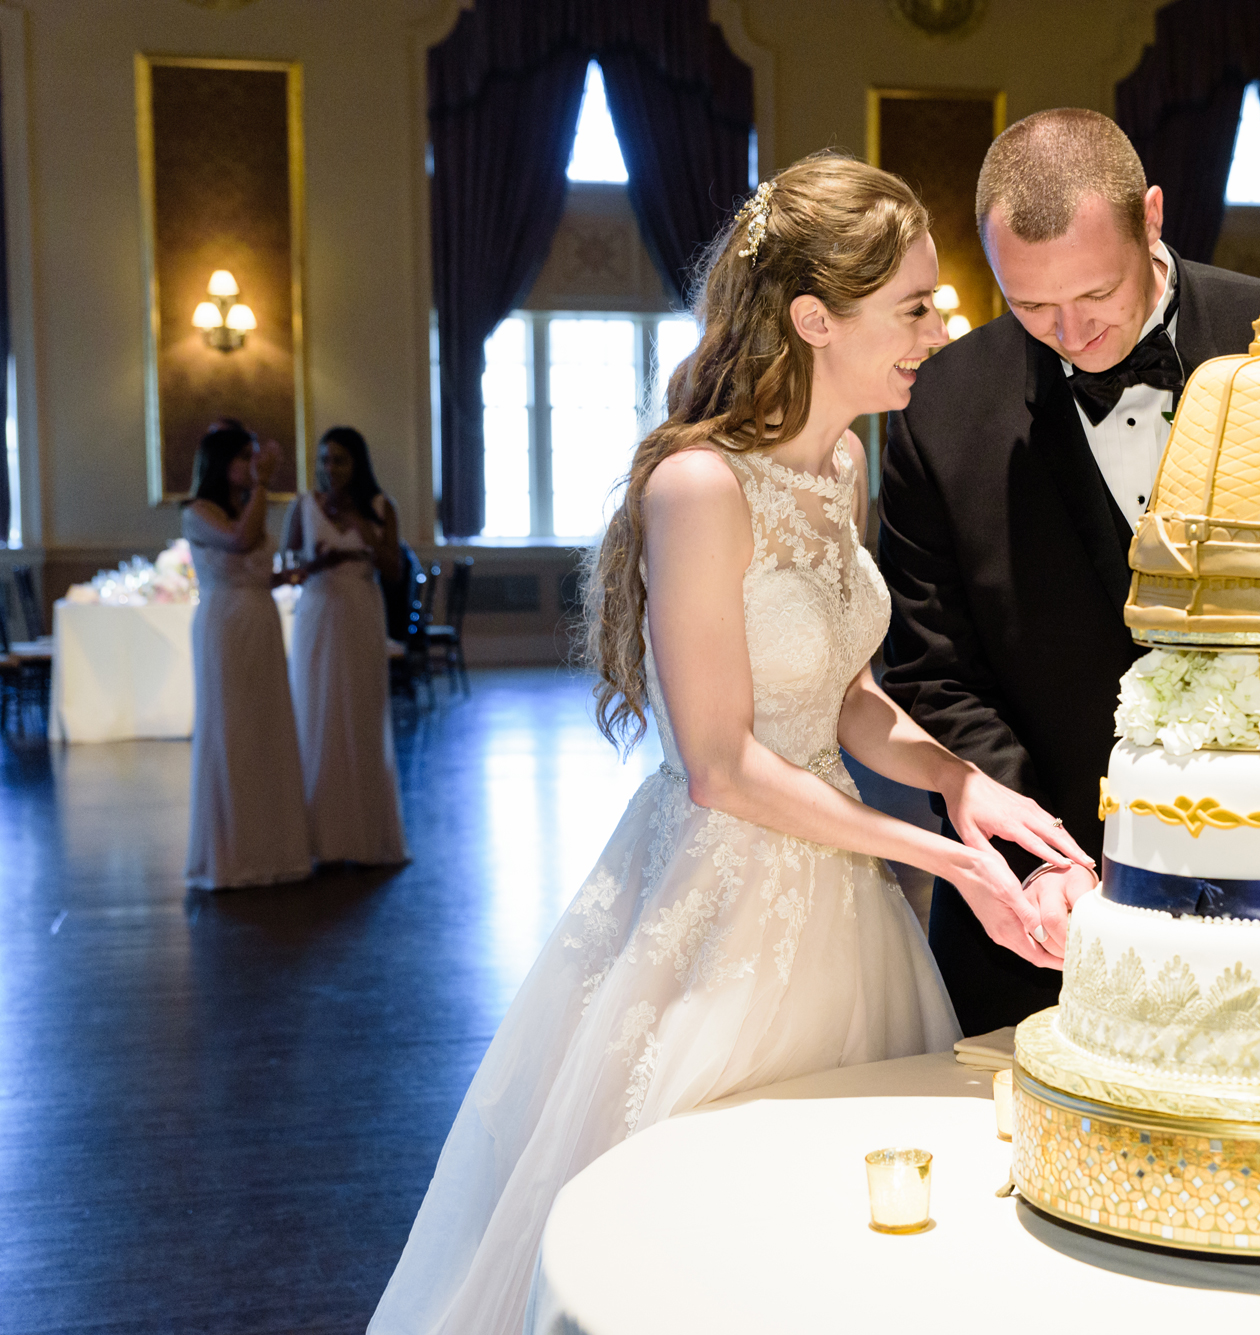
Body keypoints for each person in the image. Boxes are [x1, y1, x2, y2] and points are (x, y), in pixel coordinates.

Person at [369, 154, 1087, 1335]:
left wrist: (963, 790)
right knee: (698, 1232)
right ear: (816, 318)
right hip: (720, 886)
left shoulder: (844, 461)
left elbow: (846, 699)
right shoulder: (698, 487)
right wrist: (947, 865)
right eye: (913, 305)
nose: (939, 327)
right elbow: (720, 762)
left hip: (842, 889)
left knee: (835, 1235)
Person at [878, 108, 1260, 1034]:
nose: (1069, 332)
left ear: (1152, 216)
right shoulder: (941, 409)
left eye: (1094, 292)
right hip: (1046, 922)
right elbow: (936, 671)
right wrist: (1039, 862)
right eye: (1029, 305)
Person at [181, 424, 313, 889]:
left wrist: (288, 577)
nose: (250, 466)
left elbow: (257, 567)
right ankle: (232, 854)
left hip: (260, 620)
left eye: (251, 458)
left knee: (267, 727)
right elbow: (240, 541)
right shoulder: (197, 512)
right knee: (232, 728)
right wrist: (263, 484)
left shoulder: (246, 505)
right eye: (242, 458)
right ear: (219, 464)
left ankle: (274, 848)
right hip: (225, 625)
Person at [282, 426, 408, 868]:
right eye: (324, 460)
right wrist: (314, 563)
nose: (329, 468)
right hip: (317, 612)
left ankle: (364, 837)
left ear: (357, 463)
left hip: (359, 612)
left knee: (360, 714)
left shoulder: (380, 507)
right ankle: (318, 836)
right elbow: (286, 564)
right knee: (316, 714)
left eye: (339, 460)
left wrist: (364, 532)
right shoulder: (304, 507)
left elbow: (394, 572)